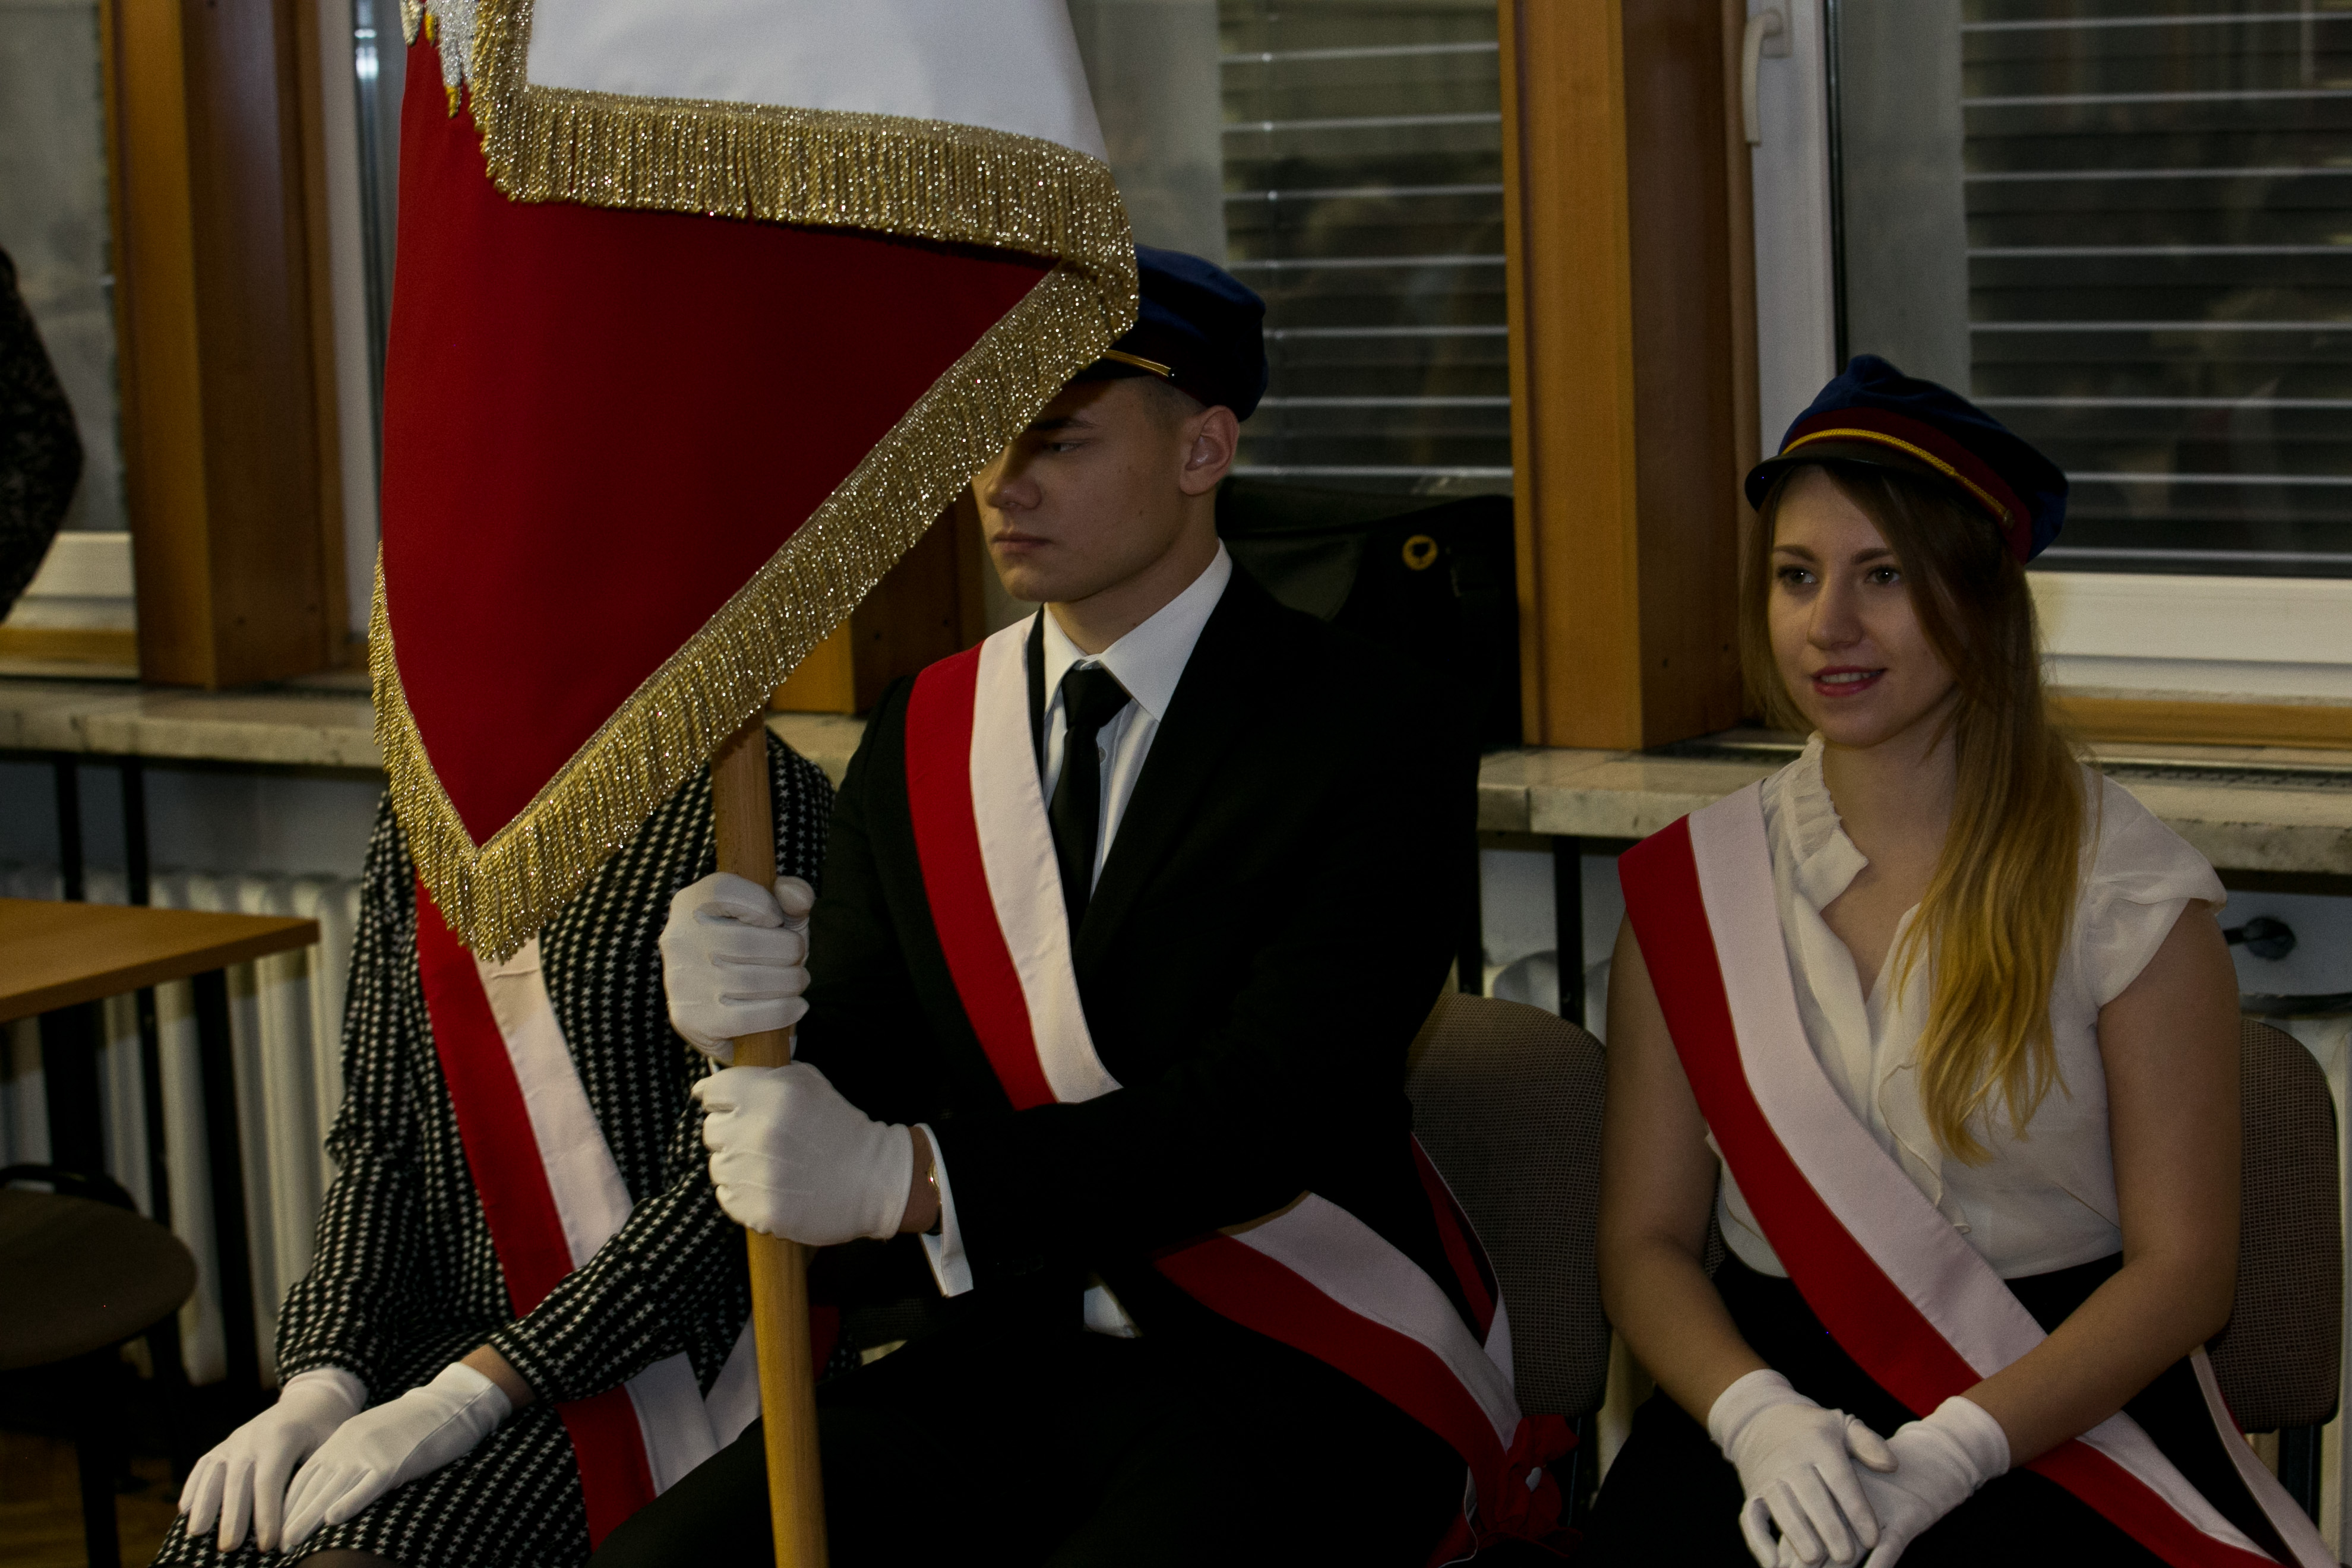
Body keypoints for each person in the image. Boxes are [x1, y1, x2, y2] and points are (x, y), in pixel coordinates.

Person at [593, 248, 1566, 1568]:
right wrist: (749, 1029)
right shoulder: (926, 728)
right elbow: (870, 1068)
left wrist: (910, 1179)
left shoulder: (1376, 727)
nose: (1005, 484)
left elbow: (1274, 1106)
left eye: (1058, 439)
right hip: (1006, 1346)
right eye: (987, 441)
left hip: (1296, 1360)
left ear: (1203, 448)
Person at [1581, 357, 2328, 1568]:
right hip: (1772, 1400)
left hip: (2060, 1401)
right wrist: (1752, 1416)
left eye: (1884, 576)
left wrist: (1961, 1448)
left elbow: (2187, 1273)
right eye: (1797, 575)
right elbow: (1646, 1244)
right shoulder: (1696, 889)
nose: (1829, 624)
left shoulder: (2127, 890)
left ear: (1982, 600)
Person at [152, 739, 833, 1568]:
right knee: (219, 1547)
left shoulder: (749, 788)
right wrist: (321, 1381)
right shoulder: (429, 792)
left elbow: (742, 1186)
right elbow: (380, 1139)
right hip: (448, 1337)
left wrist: (479, 1388)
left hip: (664, 1355)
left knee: (353, 1558)